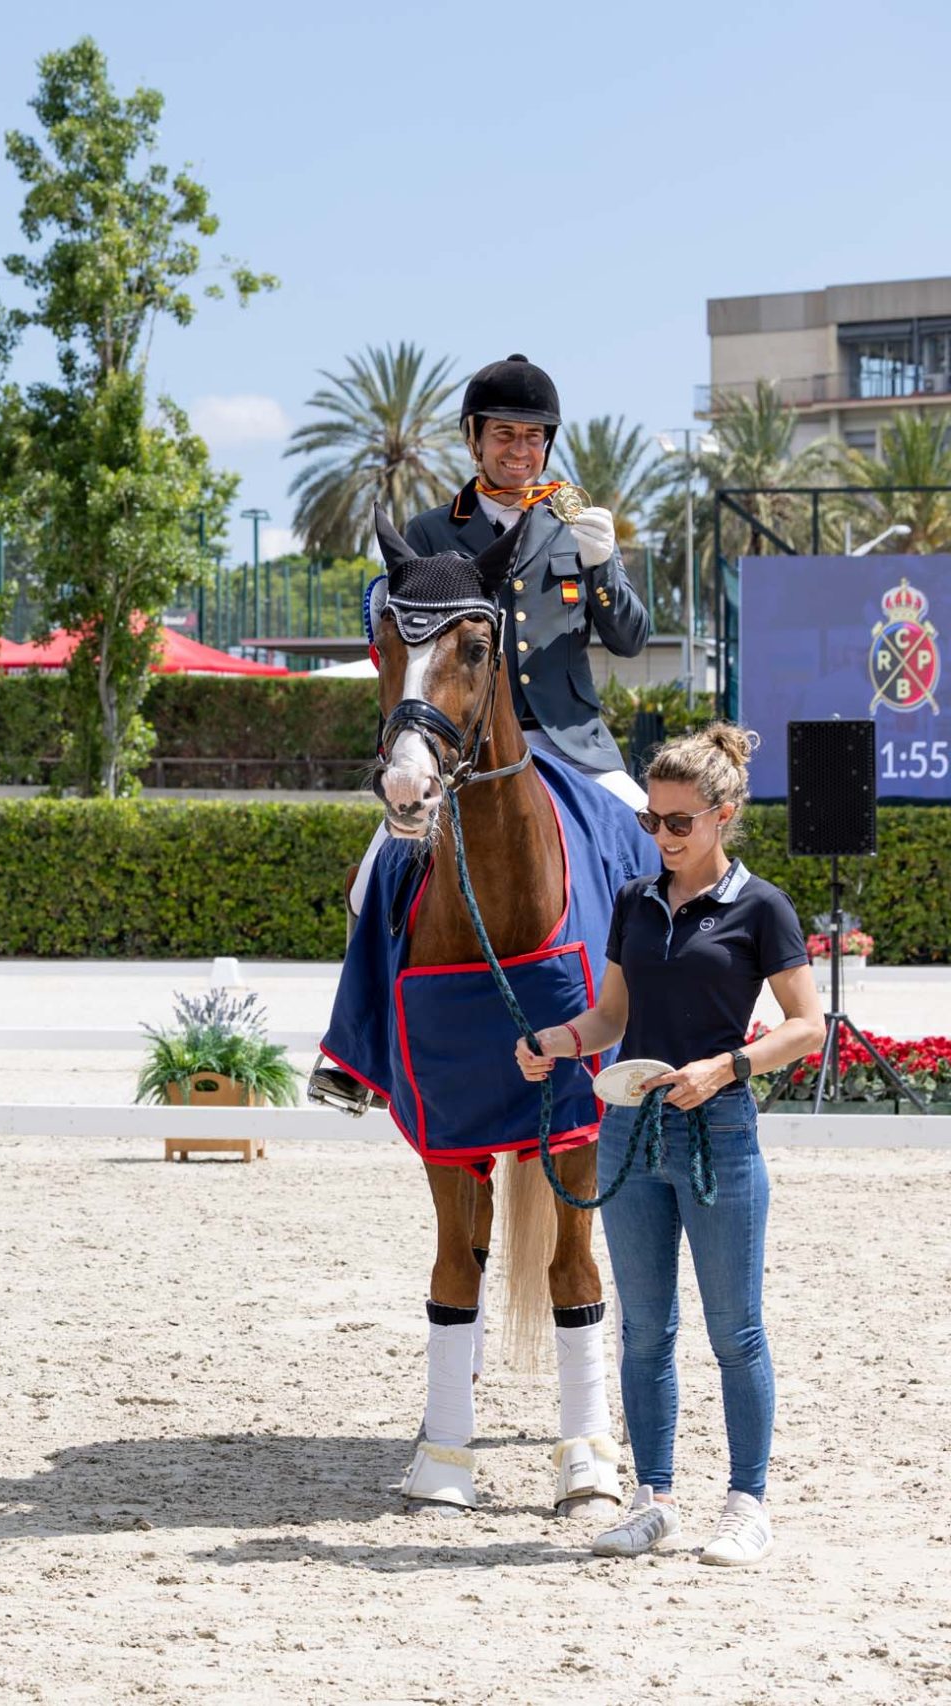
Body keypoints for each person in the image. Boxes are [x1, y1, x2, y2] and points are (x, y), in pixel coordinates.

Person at [309, 353, 652, 1112]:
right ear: (474, 440)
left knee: (657, 854)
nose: (519, 451)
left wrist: (604, 567)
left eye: (534, 439)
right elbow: (395, 632)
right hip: (460, 751)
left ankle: (671, 1028)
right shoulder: (432, 532)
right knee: (375, 879)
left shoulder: (577, 527)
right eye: (504, 436)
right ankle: (355, 1056)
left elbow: (630, 638)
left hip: (570, 740)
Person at [514, 725, 820, 1566]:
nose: (663, 836)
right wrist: (558, 1041)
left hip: (718, 1132)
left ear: (723, 817)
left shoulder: (763, 908)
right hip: (630, 1130)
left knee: (736, 1333)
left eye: (679, 822)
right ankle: (654, 1500)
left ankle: (747, 1504)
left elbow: (807, 1027)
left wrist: (728, 1067)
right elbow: (611, 1017)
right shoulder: (632, 902)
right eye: (653, 821)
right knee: (645, 1332)